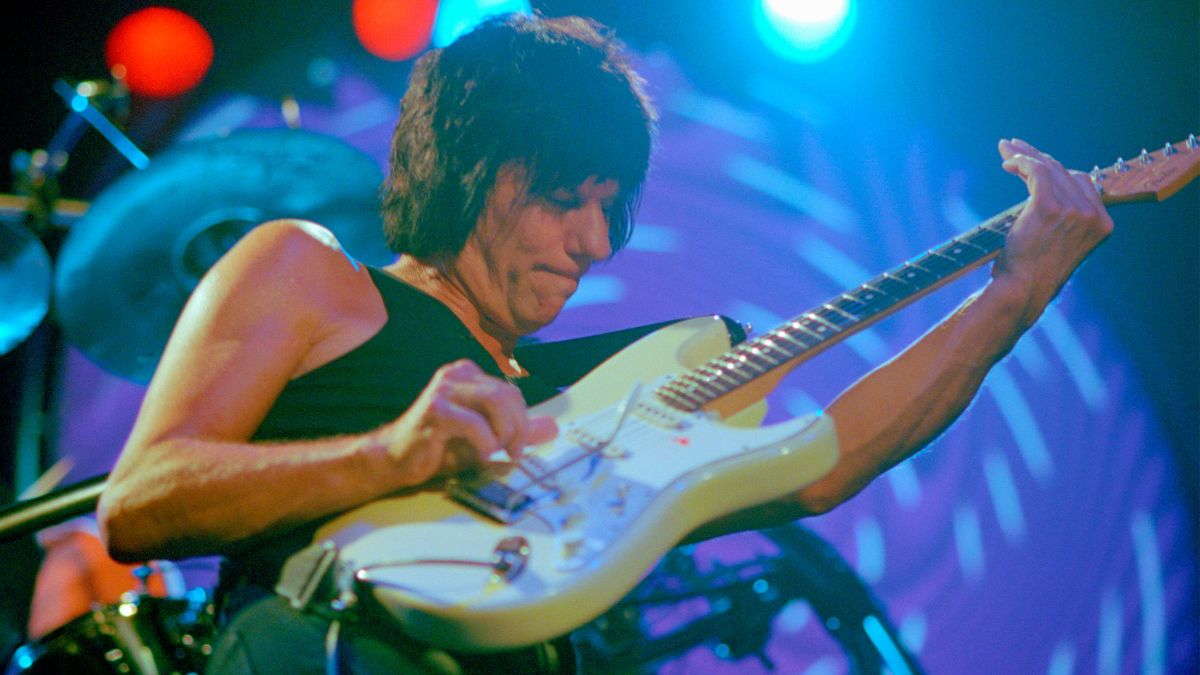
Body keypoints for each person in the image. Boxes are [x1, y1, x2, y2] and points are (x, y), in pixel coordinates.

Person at [96, 12, 1113, 674]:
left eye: (609, 209)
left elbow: (819, 464)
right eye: (561, 199)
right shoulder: (306, 271)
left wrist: (1013, 298)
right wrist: (386, 457)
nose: (592, 243)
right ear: (469, 167)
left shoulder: (595, 401)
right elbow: (138, 503)